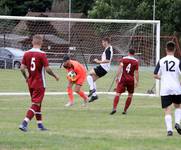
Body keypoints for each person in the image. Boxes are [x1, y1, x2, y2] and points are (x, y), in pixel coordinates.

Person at [19, 35, 59, 132]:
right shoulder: (42, 54)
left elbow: (22, 68)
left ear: (32, 42)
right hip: (39, 83)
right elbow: (47, 69)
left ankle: (40, 125)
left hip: (31, 82)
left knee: (37, 103)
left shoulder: (26, 53)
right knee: (36, 104)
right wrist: (55, 75)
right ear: (41, 43)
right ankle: (24, 123)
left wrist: (26, 78)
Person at [154, 41, 181, 136]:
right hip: (176, 88)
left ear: (166, 49)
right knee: (178, 106)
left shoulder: (161, 61)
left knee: (167, 109)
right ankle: (177, 123)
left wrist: (163, 78)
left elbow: (155, 75)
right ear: (174, 50)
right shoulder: (178, 61)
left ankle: (169, 131)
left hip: (165, 88)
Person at [110, 49, 139, 115]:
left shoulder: (124, 59)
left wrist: (117, 77)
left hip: (123, 79)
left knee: (118, 94)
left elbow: (120, 68)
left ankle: (114, 108)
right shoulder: (136, 61)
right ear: (134, 54)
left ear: (128, 52)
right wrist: (137, 81)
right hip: (131, 80)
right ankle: (125, 110)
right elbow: (136, 72)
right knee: (130, 95)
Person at [87, 37, 113, 102]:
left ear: (106, 42)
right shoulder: (108, 48)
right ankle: (94, 96)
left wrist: (98, 61)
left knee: (89, 74)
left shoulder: (108, 49)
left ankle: (92, 90)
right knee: (91, 79)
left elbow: (107, 60)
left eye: (103, 42)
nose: (102, 43)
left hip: (103, 68)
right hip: (104, 68)